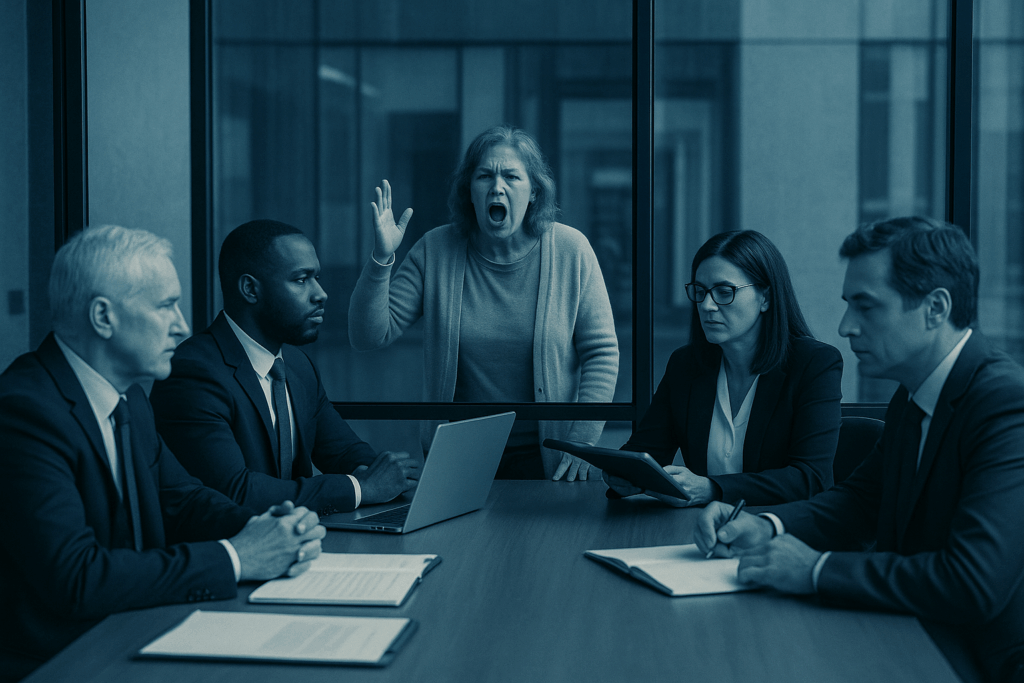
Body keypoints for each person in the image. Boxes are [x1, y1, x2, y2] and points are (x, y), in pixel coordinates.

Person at [695, 217, 1024, 683]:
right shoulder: (913, 392)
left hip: (987, 659)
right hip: (910, 628)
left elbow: (972, 583)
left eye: (866, 307)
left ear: (935, 308)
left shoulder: (1005, 403)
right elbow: (860, 500)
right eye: (848, 305)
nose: (846, 327)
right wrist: (766, 525)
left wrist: (816, 569)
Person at [0, 225, 325, 682]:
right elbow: (76, 578)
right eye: (166, 305)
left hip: (131, 628)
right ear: (103, 317)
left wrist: (266, 528)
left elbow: (183, 499)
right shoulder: (25, 412)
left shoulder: (129, 397)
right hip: (59, 662)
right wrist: (238, 557)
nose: (183, 325)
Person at [348, 125, 619, 481]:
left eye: (512, 176)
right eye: (485, 176)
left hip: (548, 455)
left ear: (534, 191)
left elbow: (601, 352)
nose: (497, 187)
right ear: (469, 191)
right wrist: (382, 259)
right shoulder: (436, 250)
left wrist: (582, 441)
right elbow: (369, 335)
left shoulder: (571, 250)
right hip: (458, 455)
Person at [150, 220, 422, 516]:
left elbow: (342, 451)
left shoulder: (297, 365)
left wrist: (395, 479)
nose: (320, 293)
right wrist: (360, 489)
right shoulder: (192, 373)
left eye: (316, 277)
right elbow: (235, 491)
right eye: (301, 280)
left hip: (298, 540)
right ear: (250, 289)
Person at [606, 230, 842, 506]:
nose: (707, 305)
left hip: (782, 533)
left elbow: (811, 479)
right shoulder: (686, 365)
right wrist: (624, 477)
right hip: (701, 529)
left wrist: (712, 489)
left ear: (765, 297)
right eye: (700, 291)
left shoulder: (814, 363)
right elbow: (647, 453)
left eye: (724, 292)